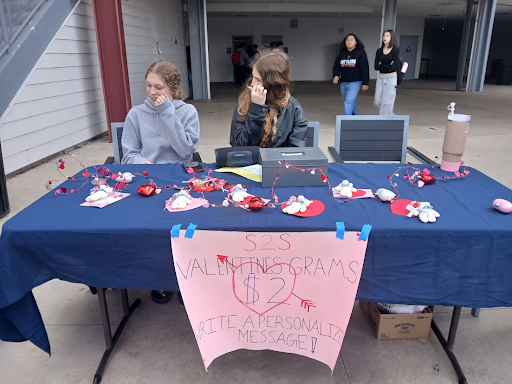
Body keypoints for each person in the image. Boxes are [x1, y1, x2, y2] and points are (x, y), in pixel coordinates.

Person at [121, 58, 200, 304]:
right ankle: (159, 279)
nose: (153, 92)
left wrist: (167, 112)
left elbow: (186, 151)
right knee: (151, 230)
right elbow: (128, 155)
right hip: (148, 180)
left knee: (183, 231)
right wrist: (144, 165)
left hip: (179, 180)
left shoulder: (187, 112)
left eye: (159, 87)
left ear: (172, 88)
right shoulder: (136, 114)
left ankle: (185, 279)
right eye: (149, 86)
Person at [230, 49, 308, 148]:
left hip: (280, 163)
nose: (253, 83)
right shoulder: (245, 104)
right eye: (253, 77)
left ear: (273, 84)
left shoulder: (294, 109)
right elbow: (238, 147)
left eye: (258, 80)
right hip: (251, 163)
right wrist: (256, 110)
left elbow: (296, 151)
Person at [332, 33, 370, 115]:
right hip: (344, 82)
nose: (349, 42)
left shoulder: (360, 53)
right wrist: (335, 75)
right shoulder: (342, 53)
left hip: (355, 82)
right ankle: (355, 119)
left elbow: (364, 68)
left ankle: (345, 121)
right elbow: (336, 66)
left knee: (348, 102)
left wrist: (365, 83)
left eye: (351, 40)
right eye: (347, 40)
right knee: (349, 102)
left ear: (356, 42)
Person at [374, 29, 401, 115]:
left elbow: (393, 67)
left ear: (392, 38)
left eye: (387, 36)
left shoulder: (395, 50)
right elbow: (376, 66)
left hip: (391, 78)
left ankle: (383, 122)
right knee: (377, 102)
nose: (385, 38)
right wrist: (388, 66)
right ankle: (391, 117)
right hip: (381, 77)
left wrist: (382, 65)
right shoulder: (379, 51)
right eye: (384, 36)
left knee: (387, 102)